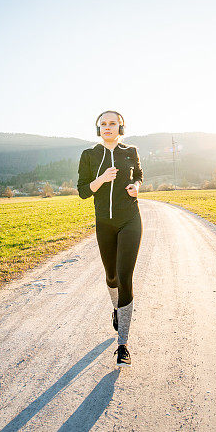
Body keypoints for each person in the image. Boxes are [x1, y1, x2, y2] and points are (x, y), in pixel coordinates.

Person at [76, 110, 144, 367]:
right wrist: (102, 179)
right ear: (98, 128)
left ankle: (123, 344)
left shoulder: (131, 151)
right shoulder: (89, 155)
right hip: (104, 223)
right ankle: (117, 309)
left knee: (125, 276)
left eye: (112, 123)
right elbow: (83, 191)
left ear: (120, 126)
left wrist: (135, 187)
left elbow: (138, 174)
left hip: (130, 220)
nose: (107, 127)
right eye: (103, 124)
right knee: (111, 276)